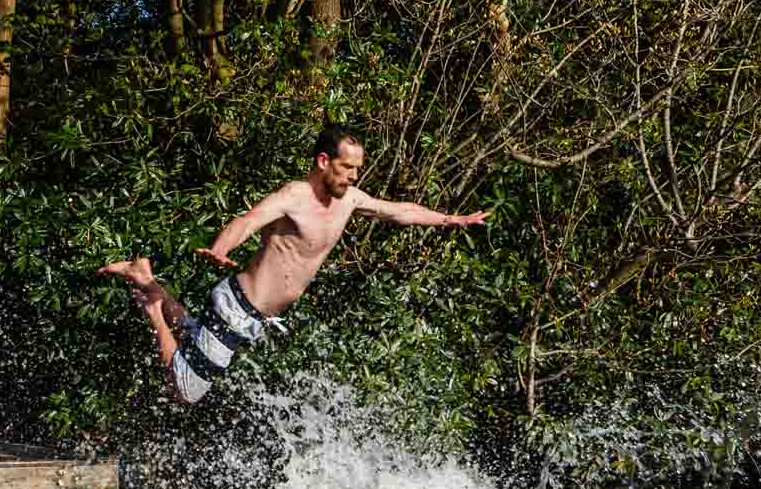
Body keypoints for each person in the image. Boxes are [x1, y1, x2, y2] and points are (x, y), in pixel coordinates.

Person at [98, 125, 489, 403]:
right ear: (323, 161)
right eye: (347, 168)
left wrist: (450, 220)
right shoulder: (294, 196)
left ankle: (146, 278)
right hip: (239, 306)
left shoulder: (349, 200)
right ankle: (151, 304)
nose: (354, 177)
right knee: (185, 388)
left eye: (357, 169)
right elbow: (248, 220)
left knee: (194, 333)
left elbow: (398, 211)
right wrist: (221, 246)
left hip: (254, 316)